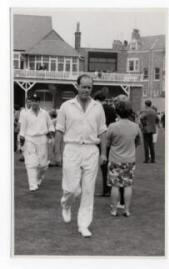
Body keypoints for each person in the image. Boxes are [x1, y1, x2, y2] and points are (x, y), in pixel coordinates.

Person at [55, 74, 107, 237]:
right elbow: (59, 130)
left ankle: (84, 225)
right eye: (83, 86)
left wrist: (104, 153)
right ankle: (66, 204)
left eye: (89, 87)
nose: (86, 90)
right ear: (77, 86)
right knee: (71, 188)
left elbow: (103, 131)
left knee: (88, 190)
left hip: (91, 150)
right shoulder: (66, 106)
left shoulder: (97, 107)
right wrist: (57, 152)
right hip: (71, 148)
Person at [102, 101, 141, 217]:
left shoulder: (113, 126)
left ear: (117, 112)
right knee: (128, 185)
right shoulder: (135, 126)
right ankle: (126, 210)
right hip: (129, 160)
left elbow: (107, 143)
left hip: (114, 159)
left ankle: (114, 210)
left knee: (115, 186)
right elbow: (139, 141)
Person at [19, 94, 54, 191]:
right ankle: (32, 185)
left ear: (39, 102)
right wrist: (21, 141)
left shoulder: (45, 113)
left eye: (36, 101)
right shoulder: (26, 114)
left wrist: (51, 132)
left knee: (43, 165)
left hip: (42, 139)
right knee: (31, 163)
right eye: (32, 101)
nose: (34, 103)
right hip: (30, 139)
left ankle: (38, 178)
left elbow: (50, 125)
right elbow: (23, 129)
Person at [94, 91, 117, 197]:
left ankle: (106, 189)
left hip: (100, 137)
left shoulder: (96, 109)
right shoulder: (111, 109)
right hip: (111, 138)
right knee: (110, 163)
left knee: (102, 164)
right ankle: (111, 186)